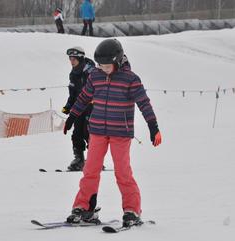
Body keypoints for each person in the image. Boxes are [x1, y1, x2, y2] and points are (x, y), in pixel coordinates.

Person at [63, 39, 162, 227]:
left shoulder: (130, 79)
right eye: (100, 65)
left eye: (107, 66)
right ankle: (84, 208)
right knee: (90, 171)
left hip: (120, 133)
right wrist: (72, 117)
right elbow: (84, 97)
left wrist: (153, 126)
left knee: (123, 172)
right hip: (98, 131)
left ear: (117, 61)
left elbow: (144, 103)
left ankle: (132, 210)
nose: (103, 69)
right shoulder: (96, 76)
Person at [62, 46, 95, 171]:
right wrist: (67, 107)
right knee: (77, 133)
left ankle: (94, 159)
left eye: (73, 58)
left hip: (92, 106)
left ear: (80, 58)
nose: (71, 61)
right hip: (78, 107)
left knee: (89, 132)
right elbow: (73, 94)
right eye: (70, 58)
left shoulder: (90, 72)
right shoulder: (73, 73)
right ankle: (79, 159)